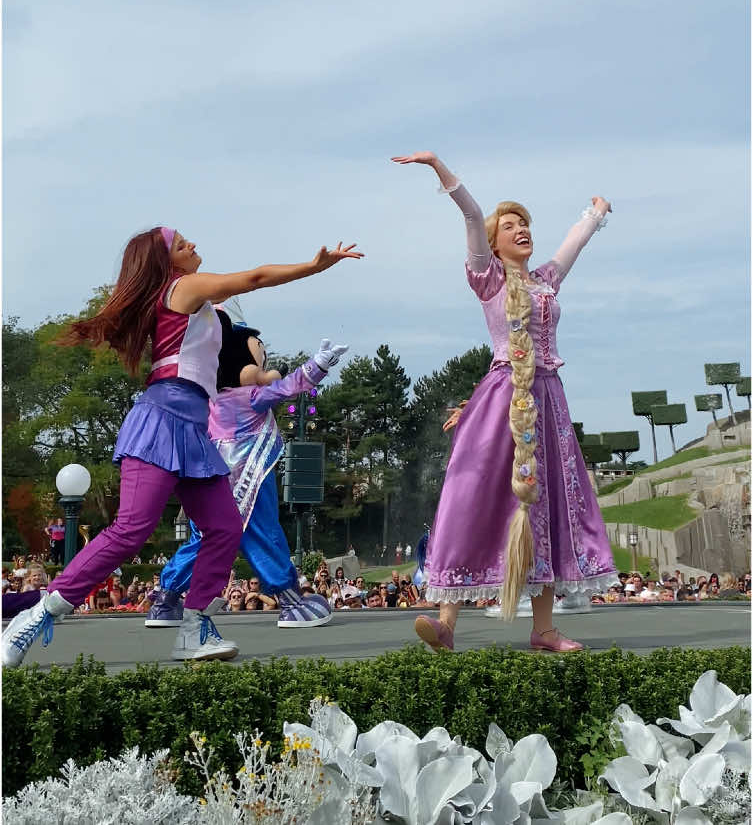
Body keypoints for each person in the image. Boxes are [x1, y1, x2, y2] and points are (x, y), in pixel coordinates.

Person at [2, 226, 362, 668]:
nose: (192, 245)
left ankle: (193, 629)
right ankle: (37, 616)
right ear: (167, 263)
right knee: (132, 529)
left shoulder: (194, 300)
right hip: (162, 420)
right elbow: (254, 278)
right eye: (180, 244)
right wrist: (313, 267)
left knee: (226, 527)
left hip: (194, 428)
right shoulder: (183, 286)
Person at [392, 151, 616, 653]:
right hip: (503, 401)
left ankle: (543, 629)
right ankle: (447, 624)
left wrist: (596, 213)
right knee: (473, 497)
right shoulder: (487, 277)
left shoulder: (545, 281)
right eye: (511, 225)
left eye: (525, 224)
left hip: (547, 400)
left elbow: (572, 245)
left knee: (549, 502)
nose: (521, 230)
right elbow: (472, 215)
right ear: (494, 242)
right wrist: (438, 168)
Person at [146, 312, 345, 630]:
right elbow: (288, 387)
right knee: (261, 533)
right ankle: (291, 601)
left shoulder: (208, 399)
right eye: (257, 356)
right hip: (248, 475)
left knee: (204, 538)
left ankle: (166, 600)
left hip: (211, 477)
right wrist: (318, 365)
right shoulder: (250, 397)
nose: (263, 364)